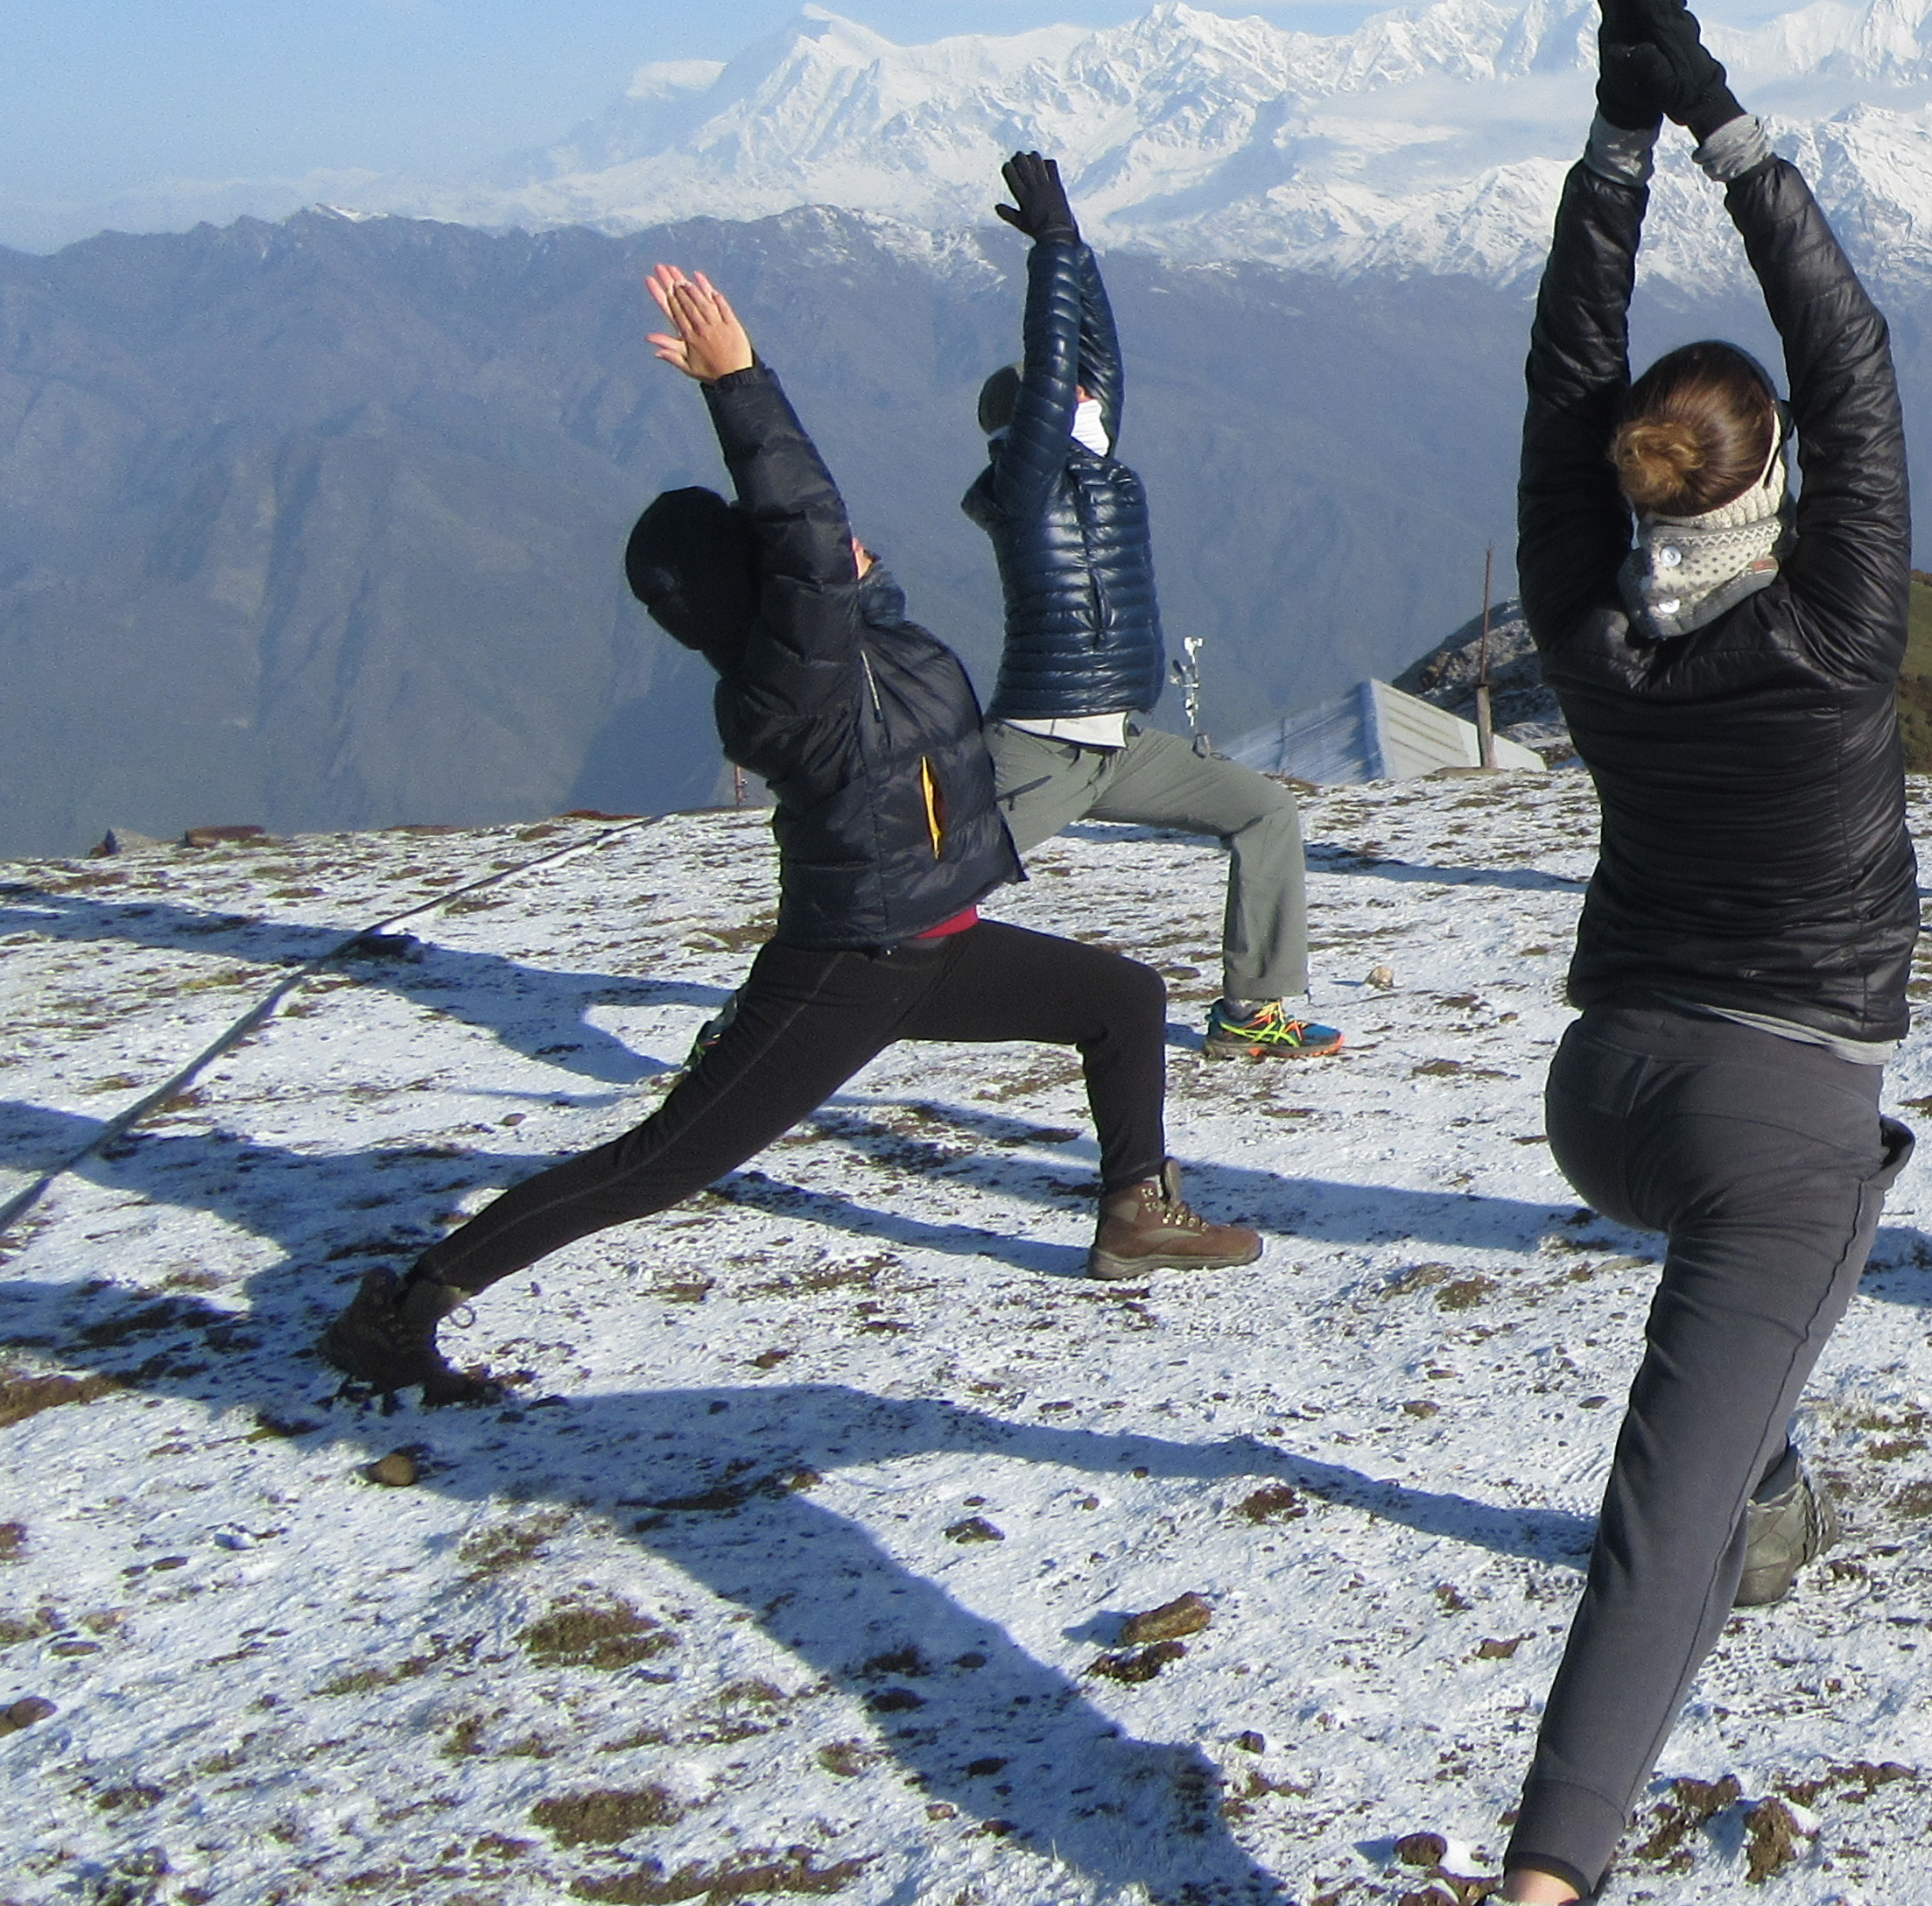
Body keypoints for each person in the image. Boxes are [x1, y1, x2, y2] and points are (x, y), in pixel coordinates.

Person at [317, 268, 1259, 1403]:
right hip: (850, 968)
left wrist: (856, 571)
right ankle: (402, 1311)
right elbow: (804, 526)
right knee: (659, 1164)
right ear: (761, 585)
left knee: (1124, 1001)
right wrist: (738, 385)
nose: (841, 543)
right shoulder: (788, 682)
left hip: (936, 943)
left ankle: (1133, 1216)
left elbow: (838, 559)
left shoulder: (853, 644)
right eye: (799, 557)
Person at [1444, 0, 1921, 1906]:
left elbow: (1566, 391)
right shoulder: (1833, 618)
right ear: (1772, 481)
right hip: (1759, 1117)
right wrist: (1709, 108)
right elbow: (1861, 356)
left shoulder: (1583, 624)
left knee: (1829, 1196)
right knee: (1666, 1511)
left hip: (1600, 1090)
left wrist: (1608, 143)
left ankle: (1773, 1471)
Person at [966, 149, 1342, 1062]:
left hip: (1117, 748)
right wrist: (1049, 249)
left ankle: (1254, 1012)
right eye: (1071, 398)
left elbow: (1095, 362)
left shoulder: (1095, 473)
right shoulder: (1023, 490)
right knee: (909, 894)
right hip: (1038, 752)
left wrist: (1078, 251)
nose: (1091, 396)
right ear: (1039, 421)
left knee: (1263, 812)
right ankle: (753, 1029)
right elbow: (1058, 368)